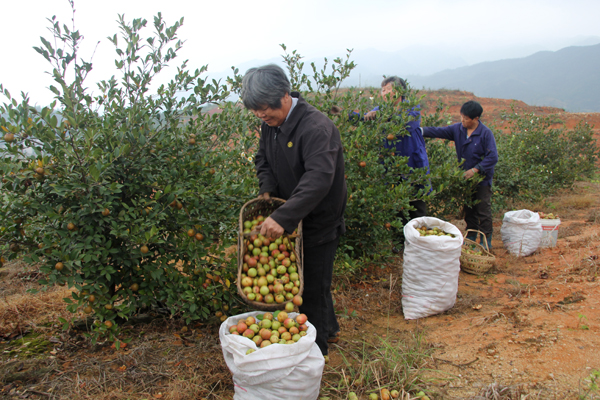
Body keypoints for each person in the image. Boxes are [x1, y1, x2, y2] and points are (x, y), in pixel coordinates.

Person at [241, 64, 347, 356]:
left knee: (312, 286)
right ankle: (330, 329)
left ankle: (316, 352)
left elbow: (318, 179)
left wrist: (283, 217)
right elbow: (263, 158)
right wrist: (268, 190)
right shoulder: (271, 125)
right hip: (291, 218)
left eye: (264, 109)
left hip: (317, 221)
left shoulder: (316, 128)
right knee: (310, 281)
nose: (261, 116)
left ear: (284, 95)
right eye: (256, 111)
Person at [357, 76, 430, 252]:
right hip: (391, 167)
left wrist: (380, 115)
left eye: (388, 90)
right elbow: (365, 119)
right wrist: (347, 115)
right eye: (382, 90)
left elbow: (407, 123)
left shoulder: (411, 108)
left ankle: (420, 245)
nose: (384, 94)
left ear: (400, 91)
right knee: (396, 206)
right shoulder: (380, 109)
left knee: (417, 205)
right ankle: (400, 245)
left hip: (412, 165)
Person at [421, 100, 498, 249]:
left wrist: (475, 170)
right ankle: (471, 237)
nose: (462, 120)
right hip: (466, 180)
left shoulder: (485, 134)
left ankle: (485, 241)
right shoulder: (459, 129)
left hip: (482, 180)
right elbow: (439, 131)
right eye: (461, 117)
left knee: (483, 209)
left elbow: (492, 157)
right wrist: (420, 131)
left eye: (466, 118)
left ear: (476, 119)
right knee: (469, 209)